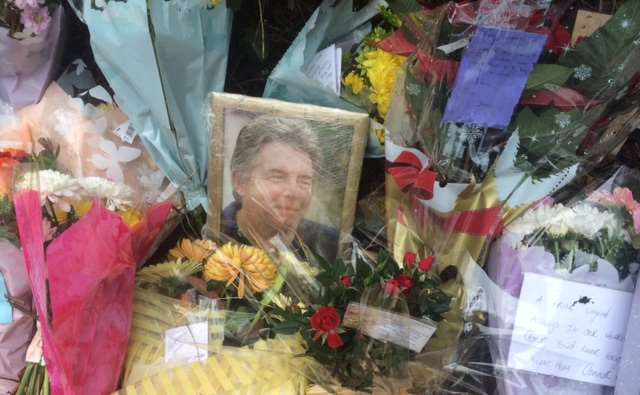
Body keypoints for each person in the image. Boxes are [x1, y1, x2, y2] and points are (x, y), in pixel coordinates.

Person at [221, 115, 338, 262]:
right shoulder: (210, 233)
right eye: (277, 177)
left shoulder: (332, 245)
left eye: (304, 181)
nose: (293, 192)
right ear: (240, 182)